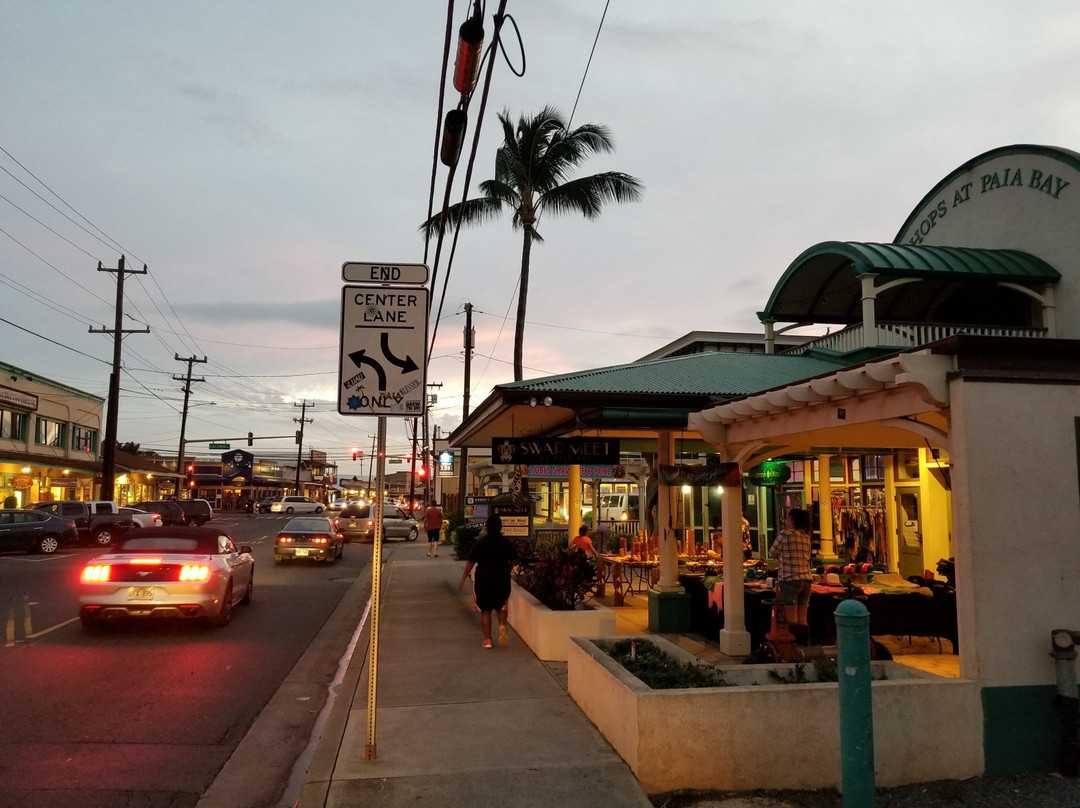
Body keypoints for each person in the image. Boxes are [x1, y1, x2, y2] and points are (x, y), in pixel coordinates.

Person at [459, 514, 518, 648]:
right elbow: (514, 559)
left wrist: (463, 578)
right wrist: (507, 569)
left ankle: (487, 640)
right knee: (501, 606)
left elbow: (470, 562)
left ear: (487, 527)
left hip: (483, 581)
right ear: (500, 527)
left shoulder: (481, 542)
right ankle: (502, 625)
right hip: (502, 580)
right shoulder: (506, 542)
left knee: (485, 611)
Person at [769, 508, 813, 641]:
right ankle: (804, 644)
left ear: (792, 519)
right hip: (806, 580)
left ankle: (793, 646)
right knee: (802, 617)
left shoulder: (784, 535)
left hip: (789, 579)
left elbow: (772, 553)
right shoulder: (806, 537)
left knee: (791, 618)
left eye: (788, 518)